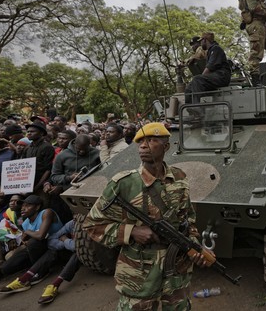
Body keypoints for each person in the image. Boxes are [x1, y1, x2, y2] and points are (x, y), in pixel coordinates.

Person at [83, 122, 211, 310]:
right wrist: (132, 231)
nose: (143, 145)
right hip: (139, 274)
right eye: (140, 142)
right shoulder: (124, 184)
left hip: (177, 271)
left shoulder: (179, 177)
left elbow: (188, 218)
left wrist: (195, 247)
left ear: (166, 147)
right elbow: (92, 225)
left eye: (151, 141)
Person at [0, 195, 63, 291]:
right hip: (42, 249)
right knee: (6, 268)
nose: (23, 208)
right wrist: (24, 240)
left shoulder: (46, 213)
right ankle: (35, 268)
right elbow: (26, 240)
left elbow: (40, 235)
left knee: (33, 243)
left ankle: (41, 272)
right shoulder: (25, 223)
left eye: (28, 205)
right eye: (22, 206)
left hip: (56, 246)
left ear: (37, 207)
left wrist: (27, 232)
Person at [184, 32, 231, 104]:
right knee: (189, 87)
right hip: (215, 77)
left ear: (205, 40)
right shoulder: (209, 51)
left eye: (201, 41)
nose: (201, 43)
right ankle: (190, 109)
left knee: (197, 79)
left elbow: (210, 67)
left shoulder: (216, 49)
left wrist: (201, 78)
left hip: (221, 76)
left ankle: (197, 107)